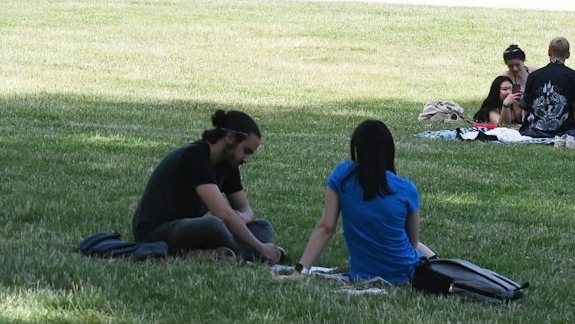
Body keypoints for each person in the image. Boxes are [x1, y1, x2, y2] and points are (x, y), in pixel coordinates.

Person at [291, 120, 435, 283]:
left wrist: (300, 272)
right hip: (405, 274)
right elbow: (412, 243)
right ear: (389, 150)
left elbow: (326, 227)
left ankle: (436, 259)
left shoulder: (343, 176)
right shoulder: (406, 188)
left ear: (357, 148)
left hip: (362, 274)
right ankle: (437, 261)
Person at [129, 110, 280, 263]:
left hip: (188, 229)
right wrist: (260, 247)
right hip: (154, 232)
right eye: (246, 151)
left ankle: (207, 253)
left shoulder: (228, 164)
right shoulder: (195, 157)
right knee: (213, 225)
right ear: (230, 137)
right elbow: (223, 214)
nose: (246, 159)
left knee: (263, 227)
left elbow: (245, 208)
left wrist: (242, 217)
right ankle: (247, 255)